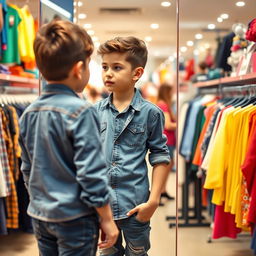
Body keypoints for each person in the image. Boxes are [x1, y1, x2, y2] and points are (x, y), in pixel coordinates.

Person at [18, 19, 118, 256]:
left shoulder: (29, 113)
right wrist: (106, 218)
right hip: (75, 217)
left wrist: (42, 199)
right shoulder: (81, 112)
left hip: (41, 214)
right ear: (78, 68)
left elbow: (27, 168)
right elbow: (91, 173)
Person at [95, 36, 170, 255]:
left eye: (117, 67)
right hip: (104, 207)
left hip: (136, 206)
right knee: (107, 253)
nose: (108, 73)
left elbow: (160, 157)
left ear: (136, 73)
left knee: (137, 252)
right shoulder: (94, 112)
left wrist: (153, 201)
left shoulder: (151, 113)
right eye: (105, 67)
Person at [156, 84, 177, 204]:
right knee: (164, 168)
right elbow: (167, 125)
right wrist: (181, 124)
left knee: (167, 166)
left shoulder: (163, 104)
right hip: (167, 140)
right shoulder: (163, 105)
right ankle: (158, 194)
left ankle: (163, 191)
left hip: (168, 140)